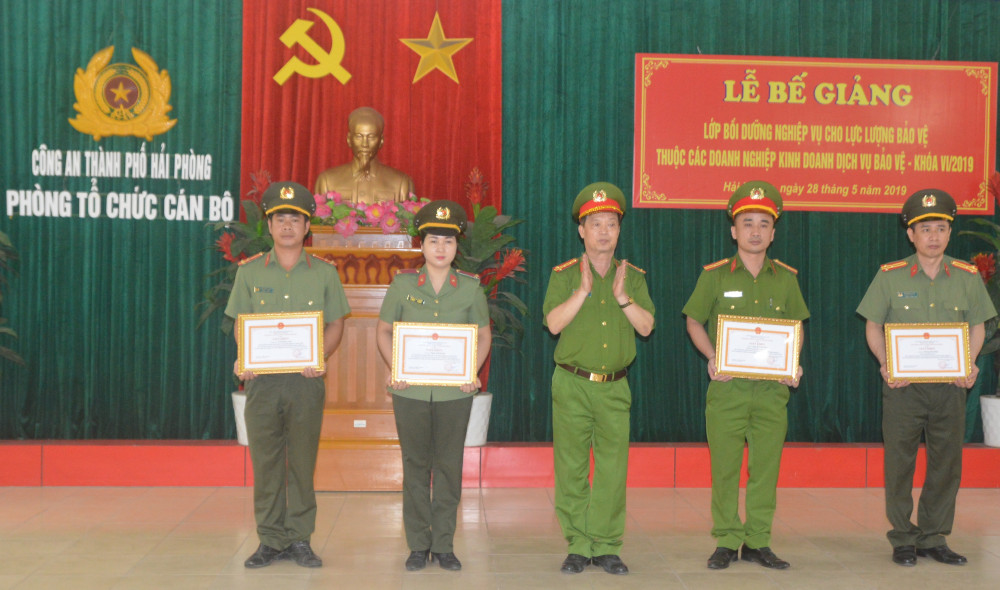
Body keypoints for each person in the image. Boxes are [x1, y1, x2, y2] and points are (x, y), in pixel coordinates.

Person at [857, 189, 995, 567]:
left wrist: (970, 363)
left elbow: (978, 325)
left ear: (949, 233)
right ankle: (903, 537)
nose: (934, 236)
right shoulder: (890, 276)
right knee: (899, 462)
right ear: (911, 235)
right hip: (903, 388)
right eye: (925, 229)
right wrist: (885, 364)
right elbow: (872, 325)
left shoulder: (967, 276)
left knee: (946, 462)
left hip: (950, 388)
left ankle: (934, 536)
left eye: (941, 228)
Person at [682, 181, 808, 571]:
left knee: (765, 470)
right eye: (747, 223)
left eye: (764, 224)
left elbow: (796, 326)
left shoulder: (786, 278)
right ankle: (726, 539)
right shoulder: (715, 276)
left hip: (771, 393)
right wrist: (712, 356)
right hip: (728, 390)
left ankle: (757, 541)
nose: (756, 231)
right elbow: (693, 321)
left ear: (773, 233)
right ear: (733, 231)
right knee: (725, 469)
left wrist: (793, 362)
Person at [225, 181, 350, 569]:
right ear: (269, 225)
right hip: (262, 383)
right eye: (280, 219)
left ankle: (299, 539)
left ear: (307, 226)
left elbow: (336, 324)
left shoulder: (324, 273)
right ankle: (269, 540)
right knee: (266, 463)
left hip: (305, 381)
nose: (287, 226)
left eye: (295, 219)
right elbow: (241, 323)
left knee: (301, 462)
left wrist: (321, 356)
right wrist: (245, 356)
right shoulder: (249, 272)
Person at [542, 182, 655, 576]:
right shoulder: (564, 275)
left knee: (612, 469)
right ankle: (578, 545)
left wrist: (623, 297)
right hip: (571, 383)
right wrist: (582, 292)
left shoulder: (632, 277)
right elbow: (553, 324)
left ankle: (606, 546)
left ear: (619, 231)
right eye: (595, 224)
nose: (604, 232)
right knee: (571, 467)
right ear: (581, 231)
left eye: (611, 224)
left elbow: (646, 327)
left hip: (614, 387)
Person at [375, 200, 492, 572]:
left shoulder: (470, 289)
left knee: (448, 466)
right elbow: (383, 331)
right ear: (421, 245)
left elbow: (484, 336)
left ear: (457, 246)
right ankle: (417, 544)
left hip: (454, 392)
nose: (441, 248)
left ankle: (443, 544)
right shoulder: (403, 285)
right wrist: (395, 367)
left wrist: (471, 371)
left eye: (449, 241)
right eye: (433, 241)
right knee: (414, 465)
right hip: (409, 390)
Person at [314, 106, 415, 203]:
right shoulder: (327, 181)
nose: (364, 144)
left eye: (371, 137)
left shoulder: (401, 183)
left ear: (381, 141)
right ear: (349, 139)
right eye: (358, 136)